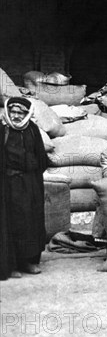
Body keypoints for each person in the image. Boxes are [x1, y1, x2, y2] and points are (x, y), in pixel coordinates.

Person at [0, 97, 48, 279]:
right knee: (9, 223)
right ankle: (11, 265)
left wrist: (32, 177)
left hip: (29, 184)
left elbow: (41, 157)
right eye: (13, 112)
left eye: (21, 113)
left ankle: (27, 261)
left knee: (29, 221)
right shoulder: (2, 129)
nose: (17, 116)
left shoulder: (33, 130)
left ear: (27, 114)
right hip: (7, 185)